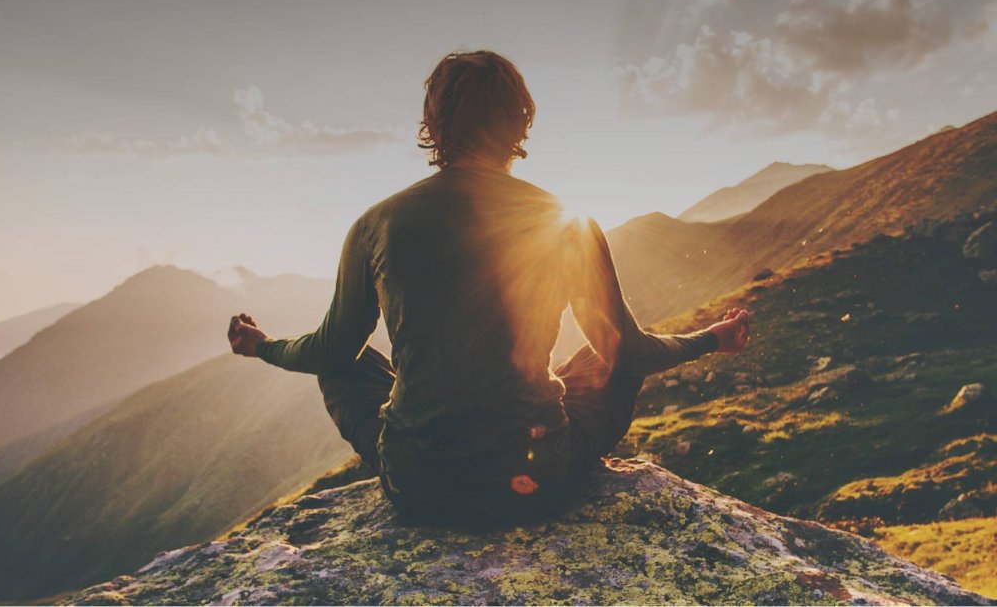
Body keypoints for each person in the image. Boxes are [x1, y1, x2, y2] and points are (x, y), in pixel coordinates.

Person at [227, 50, 750, 524]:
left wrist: (263, 346)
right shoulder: (566, 221)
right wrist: (710, 338)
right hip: (537, 483)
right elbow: (630, 352)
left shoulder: (376, 224)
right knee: (604, 357)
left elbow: (327, 351)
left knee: (345, 360)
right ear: (520, 121)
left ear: (434, 123)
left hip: (418, 487)